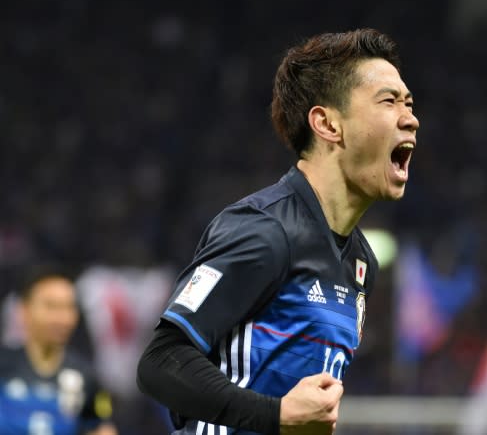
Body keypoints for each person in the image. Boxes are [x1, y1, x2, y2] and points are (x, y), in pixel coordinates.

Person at [136, 28, 419, 435]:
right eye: (389, 101)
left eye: (408, 103)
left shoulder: (361, 263)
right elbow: (160, 362)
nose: (410, 117)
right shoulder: (265, 230)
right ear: (327, 124)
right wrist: (276, 415)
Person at [0, 272, 117, 435]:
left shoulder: (87, 376)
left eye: (69, 307)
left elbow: (102, 427)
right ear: (24, 310)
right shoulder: (3, 367)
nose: (62, 318)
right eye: (51, 306)